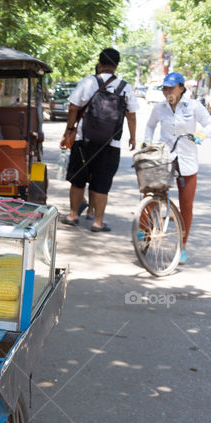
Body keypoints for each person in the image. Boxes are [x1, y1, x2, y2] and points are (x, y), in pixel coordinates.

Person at [60, 48, 139, 232]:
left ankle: (73, 214)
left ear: (99, 63)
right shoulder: (125, 87)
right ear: (116, 65)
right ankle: (98, 222)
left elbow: (73, 108)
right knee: (102, 182)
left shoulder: (88, 82)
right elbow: (132, 115)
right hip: (110, 143)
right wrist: (133, 137)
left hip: (83, 139)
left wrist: (69, 131)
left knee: (78, 179)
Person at [143, 72, 211, 264]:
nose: (167, 92)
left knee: (186, 206)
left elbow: (209, 124)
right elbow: (150, 126)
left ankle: (182, 245)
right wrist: (147, 140)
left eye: (171, 88)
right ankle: (142, 231)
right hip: (164, 158)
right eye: (165, 88)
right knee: (150, 196)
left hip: (187, 161)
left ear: (181, 88)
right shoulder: (159, 108)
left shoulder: (193, 106)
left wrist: (202, 134)